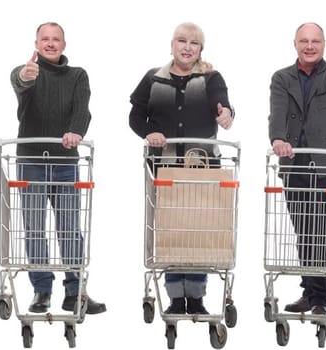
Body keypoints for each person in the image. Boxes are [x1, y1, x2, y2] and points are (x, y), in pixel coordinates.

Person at [129, 22, 234, 315]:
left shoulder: (210, 77)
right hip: (165, 168)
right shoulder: (153, 78)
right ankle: (176, 297)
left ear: (201, 49)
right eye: (181, 41)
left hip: (202, 167)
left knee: (197, 231)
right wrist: (149, 131)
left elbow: (222, 104)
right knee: (171, 231)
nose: (187, 47)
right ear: (172, 45)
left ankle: (197, 297)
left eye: (194, 43)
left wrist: (225, 113)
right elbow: (135, 115)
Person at [10, 22, 105, 315]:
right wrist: (25, 76)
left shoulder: (78, 75)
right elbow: (20, 82)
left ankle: (75, 291)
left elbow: (82, 108)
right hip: (31, 162)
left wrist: (75, 131)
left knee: (69, 228)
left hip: (65, 162)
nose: (50, 44)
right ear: (36, 43)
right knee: (35, 227)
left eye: (56, 39)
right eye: (45, 39)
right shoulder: (26, 71)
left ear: (64, 44)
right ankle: (41, 290)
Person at [268, 22, 326, 316]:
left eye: (315, 41)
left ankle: (321, 298)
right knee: (304, 231)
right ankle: (309, 291)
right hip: (295, 163)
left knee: (324, 231)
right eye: (304, 41)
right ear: (295, 44)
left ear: (324, 44)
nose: (310, 46)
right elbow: (276, 112)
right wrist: (278, 138)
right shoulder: (281, 77)